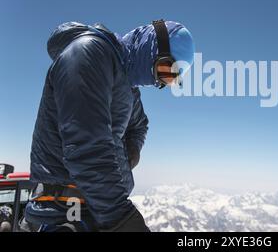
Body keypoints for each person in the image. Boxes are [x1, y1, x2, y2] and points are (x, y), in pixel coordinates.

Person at [24, 20, 194, 232]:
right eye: (165, 70)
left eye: (168, 80)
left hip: (96, 207)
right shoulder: (88, 53)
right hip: (63, 210)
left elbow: (140, 125)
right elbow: (86, 146)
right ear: (150, 46)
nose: (158, 81)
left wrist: (128, 154)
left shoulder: (129, 89)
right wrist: (121, 218)